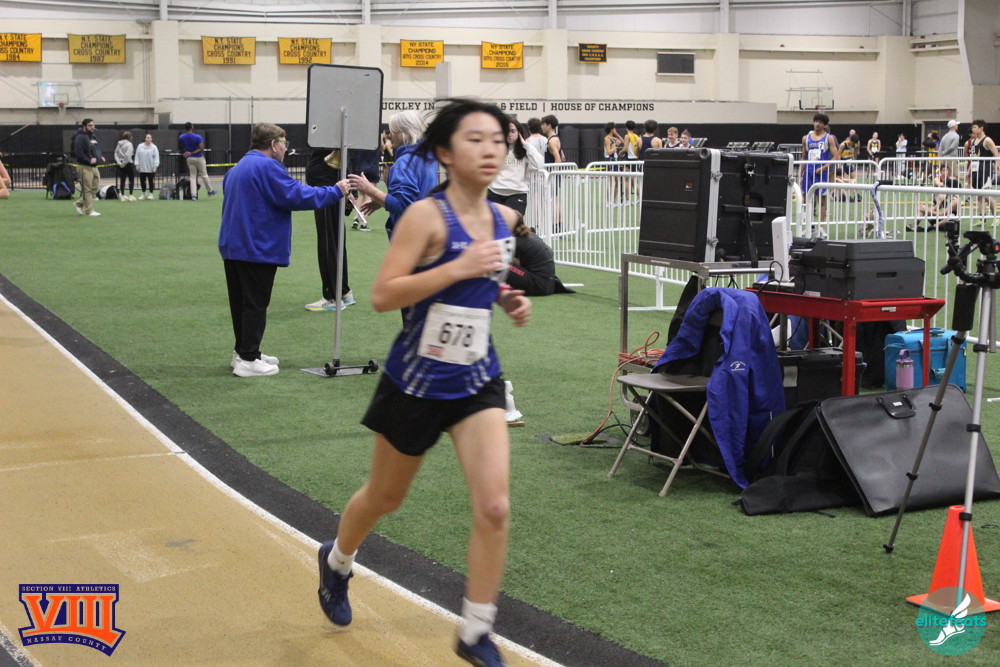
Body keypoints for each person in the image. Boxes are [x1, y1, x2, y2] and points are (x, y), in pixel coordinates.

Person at [317, 98, 531, 667]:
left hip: (477, 377)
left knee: (495, 506)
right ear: (445, 153)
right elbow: (384, 295)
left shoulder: (504, 219)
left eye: (498, 140)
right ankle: (337, 561)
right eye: (474, 140)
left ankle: (475, 630)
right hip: (416, 379)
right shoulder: (424, 217)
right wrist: (459, 266)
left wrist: (505, 296)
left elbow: (482, 280)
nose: (489, 150)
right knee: (385, 496)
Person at [218, 123, 348, 377]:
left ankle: (244, 351)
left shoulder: (238, 167)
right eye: (284, 143)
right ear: (273, 144)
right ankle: (248, 358)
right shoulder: (267, 167)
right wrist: (335, 191)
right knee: (255, 303)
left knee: (242, 303)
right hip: (256, 246)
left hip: (235, 245)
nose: (286, 148)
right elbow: (295, 195)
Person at [347, 110, 438, 238]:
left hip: (409, 235)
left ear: (403, 133)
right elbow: (415, 196)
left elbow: (402, 205)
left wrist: (369, 189)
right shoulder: (427, 158)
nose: (390, 135)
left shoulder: (404, 163)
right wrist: (382, 201)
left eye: (393, 131)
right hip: (428, 228)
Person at [303, 148, 358, 312]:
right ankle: (343, 291)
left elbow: (343, 154)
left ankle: (332, 296)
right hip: (331, 189)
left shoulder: (328, 136)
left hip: (327, 191)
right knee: (336, 241)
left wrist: (349, 189)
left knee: (328, 244)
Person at [487, 118, 543, 216]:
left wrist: (526, 145)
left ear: (519, 133)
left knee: (512, 224)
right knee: (495, 224)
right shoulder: (494, 148)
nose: (509, 134)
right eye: (506, 131)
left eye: (513, 131)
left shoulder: (525, 150)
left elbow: (539, 164)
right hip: (495, 192)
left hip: (517, 193)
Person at [506, 215, 570, 296]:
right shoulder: (531, 235)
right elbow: (549, 250)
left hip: (539, 286)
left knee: (501, 266)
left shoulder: (515, 241)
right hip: (549, 284)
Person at [799, 113, 839, 220]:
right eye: (816, 121)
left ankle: (821, 226)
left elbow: (836, 157)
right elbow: (803, 158)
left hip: (822, 173)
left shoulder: (829, 138)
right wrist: (800, 175)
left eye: (820, 122)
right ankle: (810, 226)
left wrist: (823, 168)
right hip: (808, 172)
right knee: (808, 200)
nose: (817, 124)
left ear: (824, 125)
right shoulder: (806, 138)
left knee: (822, 200)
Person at [72, 118, 105, 217]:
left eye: (93, 125)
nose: (92, 127)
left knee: (95, 187)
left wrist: (100, 156)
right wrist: (88, 160)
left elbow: (96, 148)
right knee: (87, 189)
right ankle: (89, 211)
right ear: (84, 126)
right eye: (90, 125)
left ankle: (79, 203)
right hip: (84, 166)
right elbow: (78, 152)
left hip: (94, 166)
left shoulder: (93, 136)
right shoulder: (80, 137)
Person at [968, 119, 999, 221]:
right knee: (979, 196)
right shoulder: (973, 141)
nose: (973, 129)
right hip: (975, 170)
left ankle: (996, 216)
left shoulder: (987, 140)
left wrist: (997, 168)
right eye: (972, 127)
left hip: (985, 170)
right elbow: (973, 157)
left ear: (981, 128)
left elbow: (996, 154)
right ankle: (982, 218)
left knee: (986, 195)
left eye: (975, 127)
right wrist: (969, 170)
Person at [179, 122, 217, 199]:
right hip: (199, 157)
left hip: (189, 158)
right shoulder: (197, 137)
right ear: (192, 127)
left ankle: (193, 195)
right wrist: (193, 152)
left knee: (192, 176)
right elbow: (201, 148)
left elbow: (182, 146)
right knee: (204, 175)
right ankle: (210, 191)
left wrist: (188, 152)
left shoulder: (181, 137)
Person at [134, 133, 160, 200]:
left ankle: (151, 194)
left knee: (151, 181)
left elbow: (156, 157)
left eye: (150, 137)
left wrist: (155, 166)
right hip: (142, 167)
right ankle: (144, 194)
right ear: (145, 139)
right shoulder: (140, 146)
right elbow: (137, 156)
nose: (149, 139)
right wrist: (137, 165)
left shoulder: (154, 147)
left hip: (151, 168)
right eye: (148, 137)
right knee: (142, 181)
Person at [114, 131, 137, 201]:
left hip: (120, 163)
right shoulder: (129, 144)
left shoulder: (119, 144)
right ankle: (130, 195)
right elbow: (128, 155)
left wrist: (119, 162)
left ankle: (123, 195)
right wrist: (124, 163)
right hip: (128, 163)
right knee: (131, 179)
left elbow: (116, 153)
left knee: (122, 179)